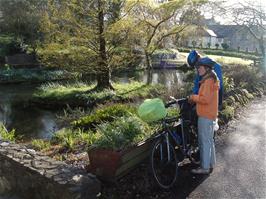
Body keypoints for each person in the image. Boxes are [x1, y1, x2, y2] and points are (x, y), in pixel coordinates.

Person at [189, 63, 219, 174]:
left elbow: (205, 99)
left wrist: (192, 97)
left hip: (205, 115)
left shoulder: (208, 81)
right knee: (209, 140)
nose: (198, 70)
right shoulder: (212, 79)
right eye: (197, 68)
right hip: (210, 114)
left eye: (199, 67)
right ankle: (211, 163)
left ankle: (204, 168)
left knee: (204, 142)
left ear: (206, 68)